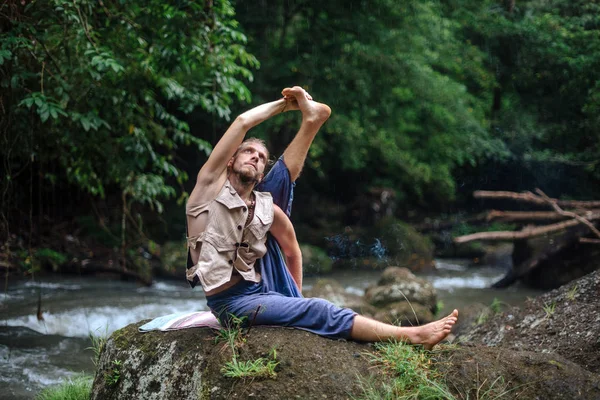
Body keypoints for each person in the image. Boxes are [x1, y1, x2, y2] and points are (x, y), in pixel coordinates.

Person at [185, 86, 458, 348]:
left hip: (263, 286)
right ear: (230, 160)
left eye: (261, 157)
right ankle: (412, 335)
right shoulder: (208, 189)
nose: (255, 157)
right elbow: (243, 121)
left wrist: (293, 299)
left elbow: (292, 250)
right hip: (231, 302)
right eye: (248, 152)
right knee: (319, 309)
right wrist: (286, 105)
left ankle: (312, 120)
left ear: (261, 172)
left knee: (268, 199)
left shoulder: (267, 207)